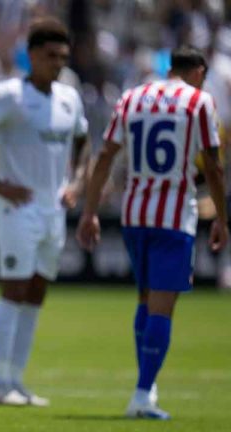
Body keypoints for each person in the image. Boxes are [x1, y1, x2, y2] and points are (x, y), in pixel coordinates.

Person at [76, 46, 228, 420]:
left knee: (145, 301)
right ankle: (143, 394)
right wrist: (223, 218)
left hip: (134, 213)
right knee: (162, 307)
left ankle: (148, 387)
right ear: (199, 72)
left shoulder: (132, 97)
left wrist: (90, 211)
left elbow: (106, 156)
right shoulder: (198, 101)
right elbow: (212, 166)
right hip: (174, 217)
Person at [0, 17, 89, 406]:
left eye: (63, 56)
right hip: (19, 209)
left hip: (53, 211)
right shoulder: (10, 94)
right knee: (13, 290)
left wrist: (77, 183)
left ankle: (17, 380)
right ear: (31, 56)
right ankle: (0, 383)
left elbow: (84, 142)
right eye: (50, 56)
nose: (58, 63)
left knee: (36, 293)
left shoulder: (69, 97)